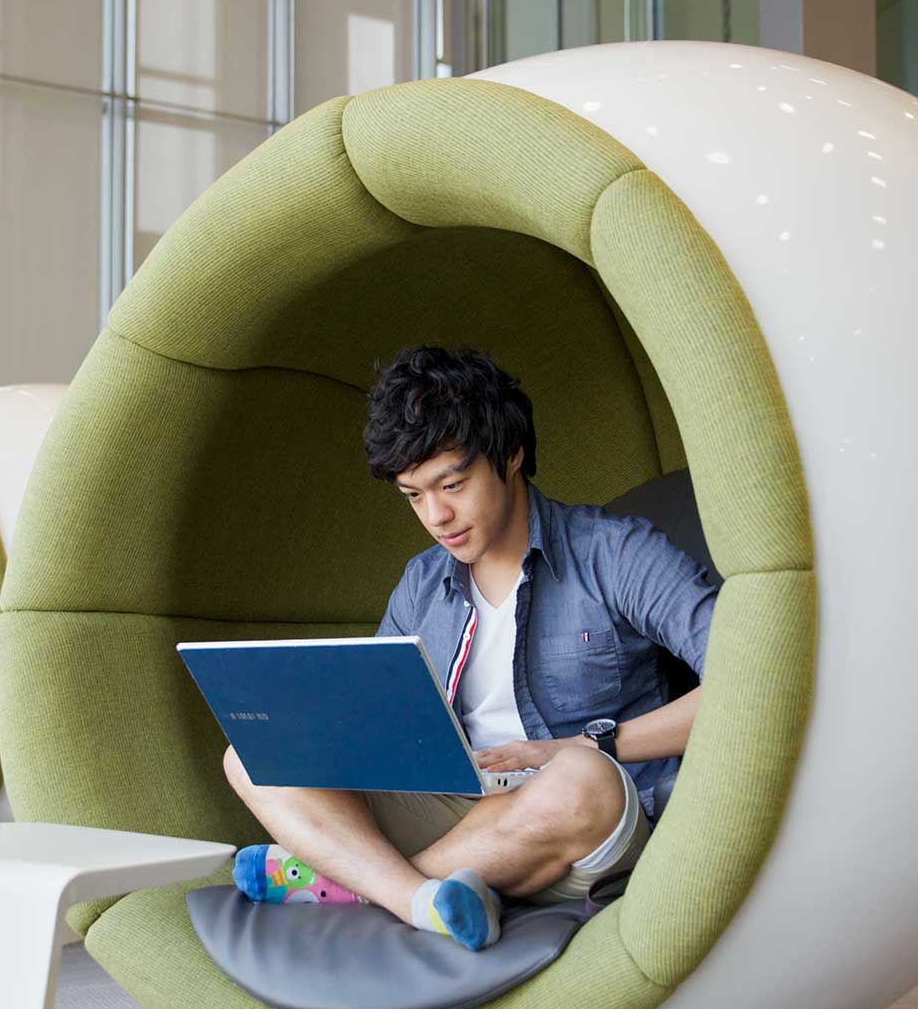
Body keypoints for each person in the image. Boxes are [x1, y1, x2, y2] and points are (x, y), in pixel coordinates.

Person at [223, 346, 717, 950]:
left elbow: (749, 683)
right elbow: (380, 731)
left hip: (572, 815)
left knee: (582, 778)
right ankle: (421, 898)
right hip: (458, 801)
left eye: (452, 484)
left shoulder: (615, 554)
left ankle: (350, 883)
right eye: (413, 495)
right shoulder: (421, 582)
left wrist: (587, 744)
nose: (436, 515)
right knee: (250, 752)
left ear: (509, 454)